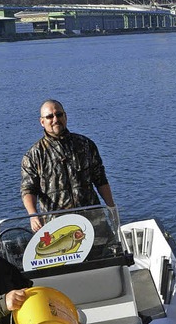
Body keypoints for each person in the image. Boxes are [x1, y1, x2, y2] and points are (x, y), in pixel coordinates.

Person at [21, 99, 116, 232]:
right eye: (49, 117)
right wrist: (33, 215)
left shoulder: (85, 145)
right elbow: (28, 190)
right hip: (57, 226)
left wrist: (111, 207)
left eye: (59, 114)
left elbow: (100, 179)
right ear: (42, 122)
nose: (55, 119)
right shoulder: (33, 155)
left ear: (65, 116)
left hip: (93, 221)